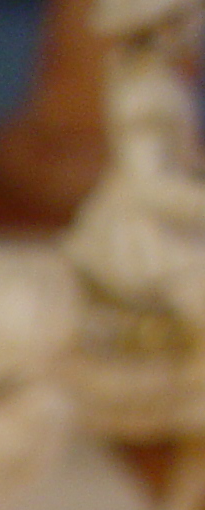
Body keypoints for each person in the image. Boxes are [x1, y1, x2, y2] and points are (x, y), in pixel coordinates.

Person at [64, 0, 205, 338]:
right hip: (147, 233)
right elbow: (149, 185)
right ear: (167, 28)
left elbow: (183, 161)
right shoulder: (147, 96)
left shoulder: (165, 85)